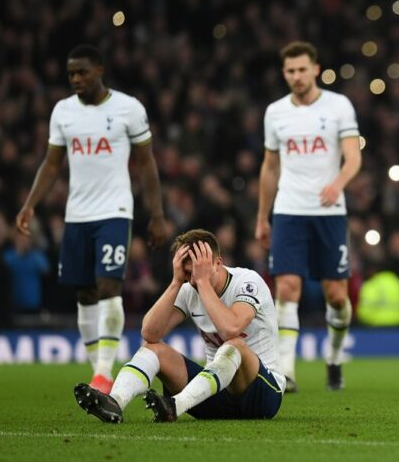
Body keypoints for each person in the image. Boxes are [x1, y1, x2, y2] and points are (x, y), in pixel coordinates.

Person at [16, 44, 168, 394]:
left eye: (82, 72)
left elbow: (146, 163)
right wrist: (30, 204)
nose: (76, 79)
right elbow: (52, 163)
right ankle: (98, 371)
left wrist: (157, 213)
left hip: (114, 211)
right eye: (71, 74)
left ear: (99, 69)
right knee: (84, 293)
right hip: (77, 214)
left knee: (108, 285)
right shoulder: (63, 112)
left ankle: (103, 371)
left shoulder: (128, 108)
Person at [73, 229, 284, 422]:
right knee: (153, 348)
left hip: (262, 395)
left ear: (218, 263)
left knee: (234, 344)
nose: (192, 279)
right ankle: (115, 402)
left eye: (198, 271)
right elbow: (150, 332)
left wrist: (202, 284)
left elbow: (231, 328)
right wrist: (176, 283)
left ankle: (175, 405)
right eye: (188, 273)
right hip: (215, 393)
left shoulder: (248, 282)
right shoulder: (188, 286)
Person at [255, 41, 361, 393]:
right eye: (290, 71)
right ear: (284, 73)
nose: (297, 76)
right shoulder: (275, 112)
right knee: (287, 288)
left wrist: (338, 184)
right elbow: (270, 167)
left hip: (329, 213)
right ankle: (286, 372)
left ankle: (333, 358)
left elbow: (353, 157)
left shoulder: (338, 106)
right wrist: (262, 216)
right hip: (289, 210)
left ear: (315, 69)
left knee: (336, 297)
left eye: (302, 69)